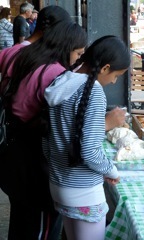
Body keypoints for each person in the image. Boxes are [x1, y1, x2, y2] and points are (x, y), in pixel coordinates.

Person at [0, 19, 87, 240]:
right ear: (66, 47)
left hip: (12, 154)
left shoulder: (25, 57)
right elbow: (64, 127)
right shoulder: (55, 74)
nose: (78, 60)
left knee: (21, 222)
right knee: (42, 229)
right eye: (77, 54)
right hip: (35, 164)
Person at [43, 35, 130, 240]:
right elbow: (89, 150)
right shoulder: (93, 92)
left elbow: (47, 140)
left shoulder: (62, 82)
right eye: (116, 75)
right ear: (105, 68)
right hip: (84, 192)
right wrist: (111, 170)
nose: (114, 81)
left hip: (58, 184)